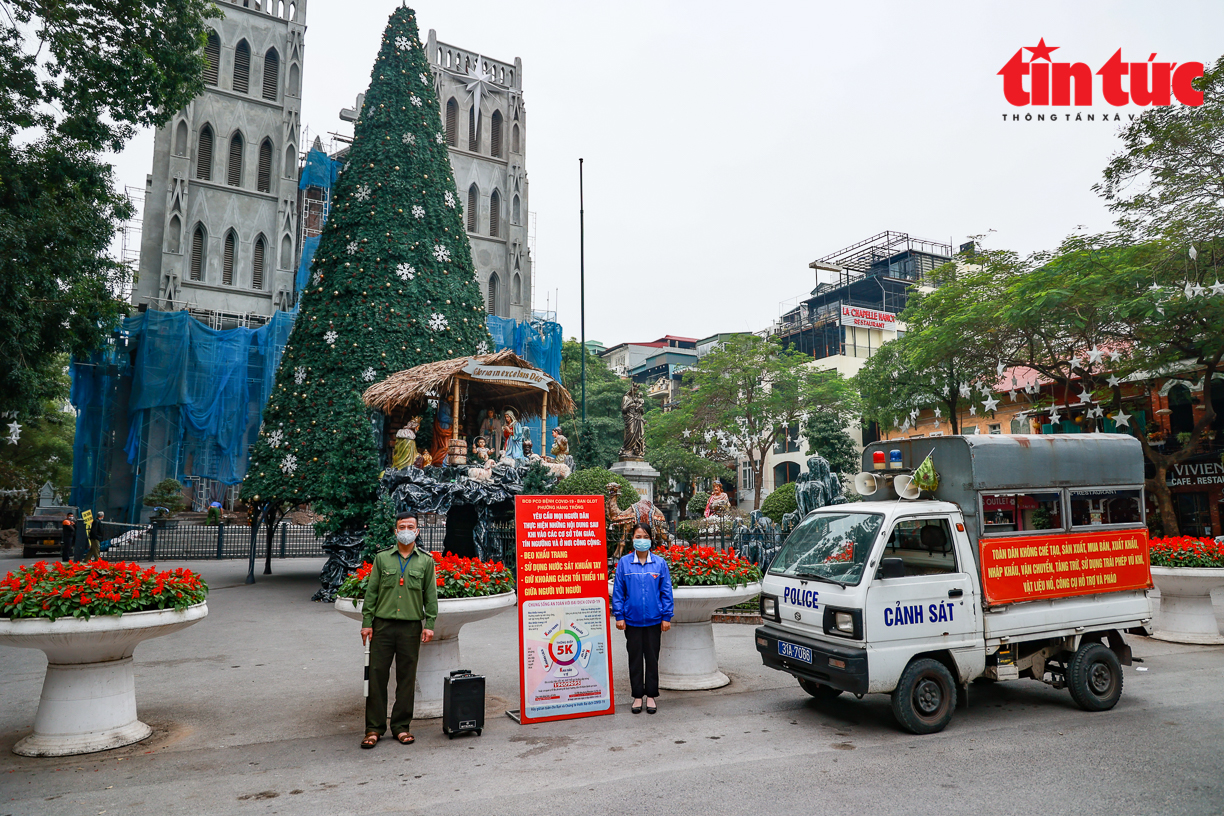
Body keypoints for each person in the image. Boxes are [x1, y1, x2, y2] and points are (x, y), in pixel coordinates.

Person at [360, 511, 438, 749]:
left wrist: (430, 624)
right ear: (396, 531)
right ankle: (373, 728)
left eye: (410, 526)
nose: (406, 530)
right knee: (376, 677)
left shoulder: (425, 561)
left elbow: (431, 596)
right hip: (382, 626)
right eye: (401, 526)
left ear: (417, 531)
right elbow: (372, 592)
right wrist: (367, 622)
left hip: (410, 627)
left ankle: (401, 727)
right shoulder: (383, 559)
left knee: (406, 679)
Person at [611, 523, 674, 715]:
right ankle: (638, 696)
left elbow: (666, 592)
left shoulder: (660, 563)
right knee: (635, 659)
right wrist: (619, 615)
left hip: (655, 620)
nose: (642, 540)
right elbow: (618, 592)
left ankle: (652, 696)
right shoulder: (624, 563)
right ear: (632, 539)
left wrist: (666, 616)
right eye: (638, 536)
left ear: (651, 539)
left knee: (652, 659)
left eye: (645, 536)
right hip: (632, 620)